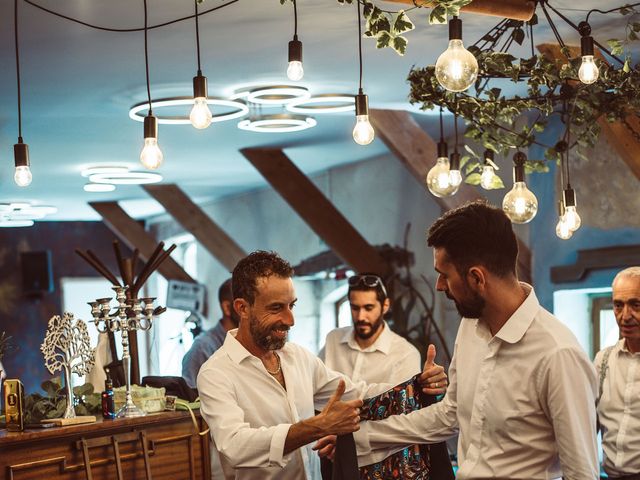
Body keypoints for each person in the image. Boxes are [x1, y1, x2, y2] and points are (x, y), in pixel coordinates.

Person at [354, 201, 599, 480]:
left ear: (476, 278)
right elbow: (450, 415)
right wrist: (360, 439)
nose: (439, 286)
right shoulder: (470, 327)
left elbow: (582, 473)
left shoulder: (559, 354)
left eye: (444, 275)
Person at [197, 251, 447, 479]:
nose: (290, 319)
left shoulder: (297, 357)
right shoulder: (216, 373)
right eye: (276, 308)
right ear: (242, 308)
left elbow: (358, 393)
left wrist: (417, 385)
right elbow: (235, 446)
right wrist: (317, 426)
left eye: (291, 306)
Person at [320, 273, 421, 384]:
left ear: (385, 306)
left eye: (368, 308)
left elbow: (404, 400)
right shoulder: (333, 339)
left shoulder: (405, 355)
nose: (360, 317)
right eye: (355, 308)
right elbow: (315, 384)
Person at [595, 266, 640, 479]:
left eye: (635, 305)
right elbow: (587, 424)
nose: (625, 316)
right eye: (618, 305)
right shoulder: (603, 360)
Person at [182, 278, 238, 389]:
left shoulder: (254, 344)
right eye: (243, 306)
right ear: (227, 307)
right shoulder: (202, 348)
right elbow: (190, 398)